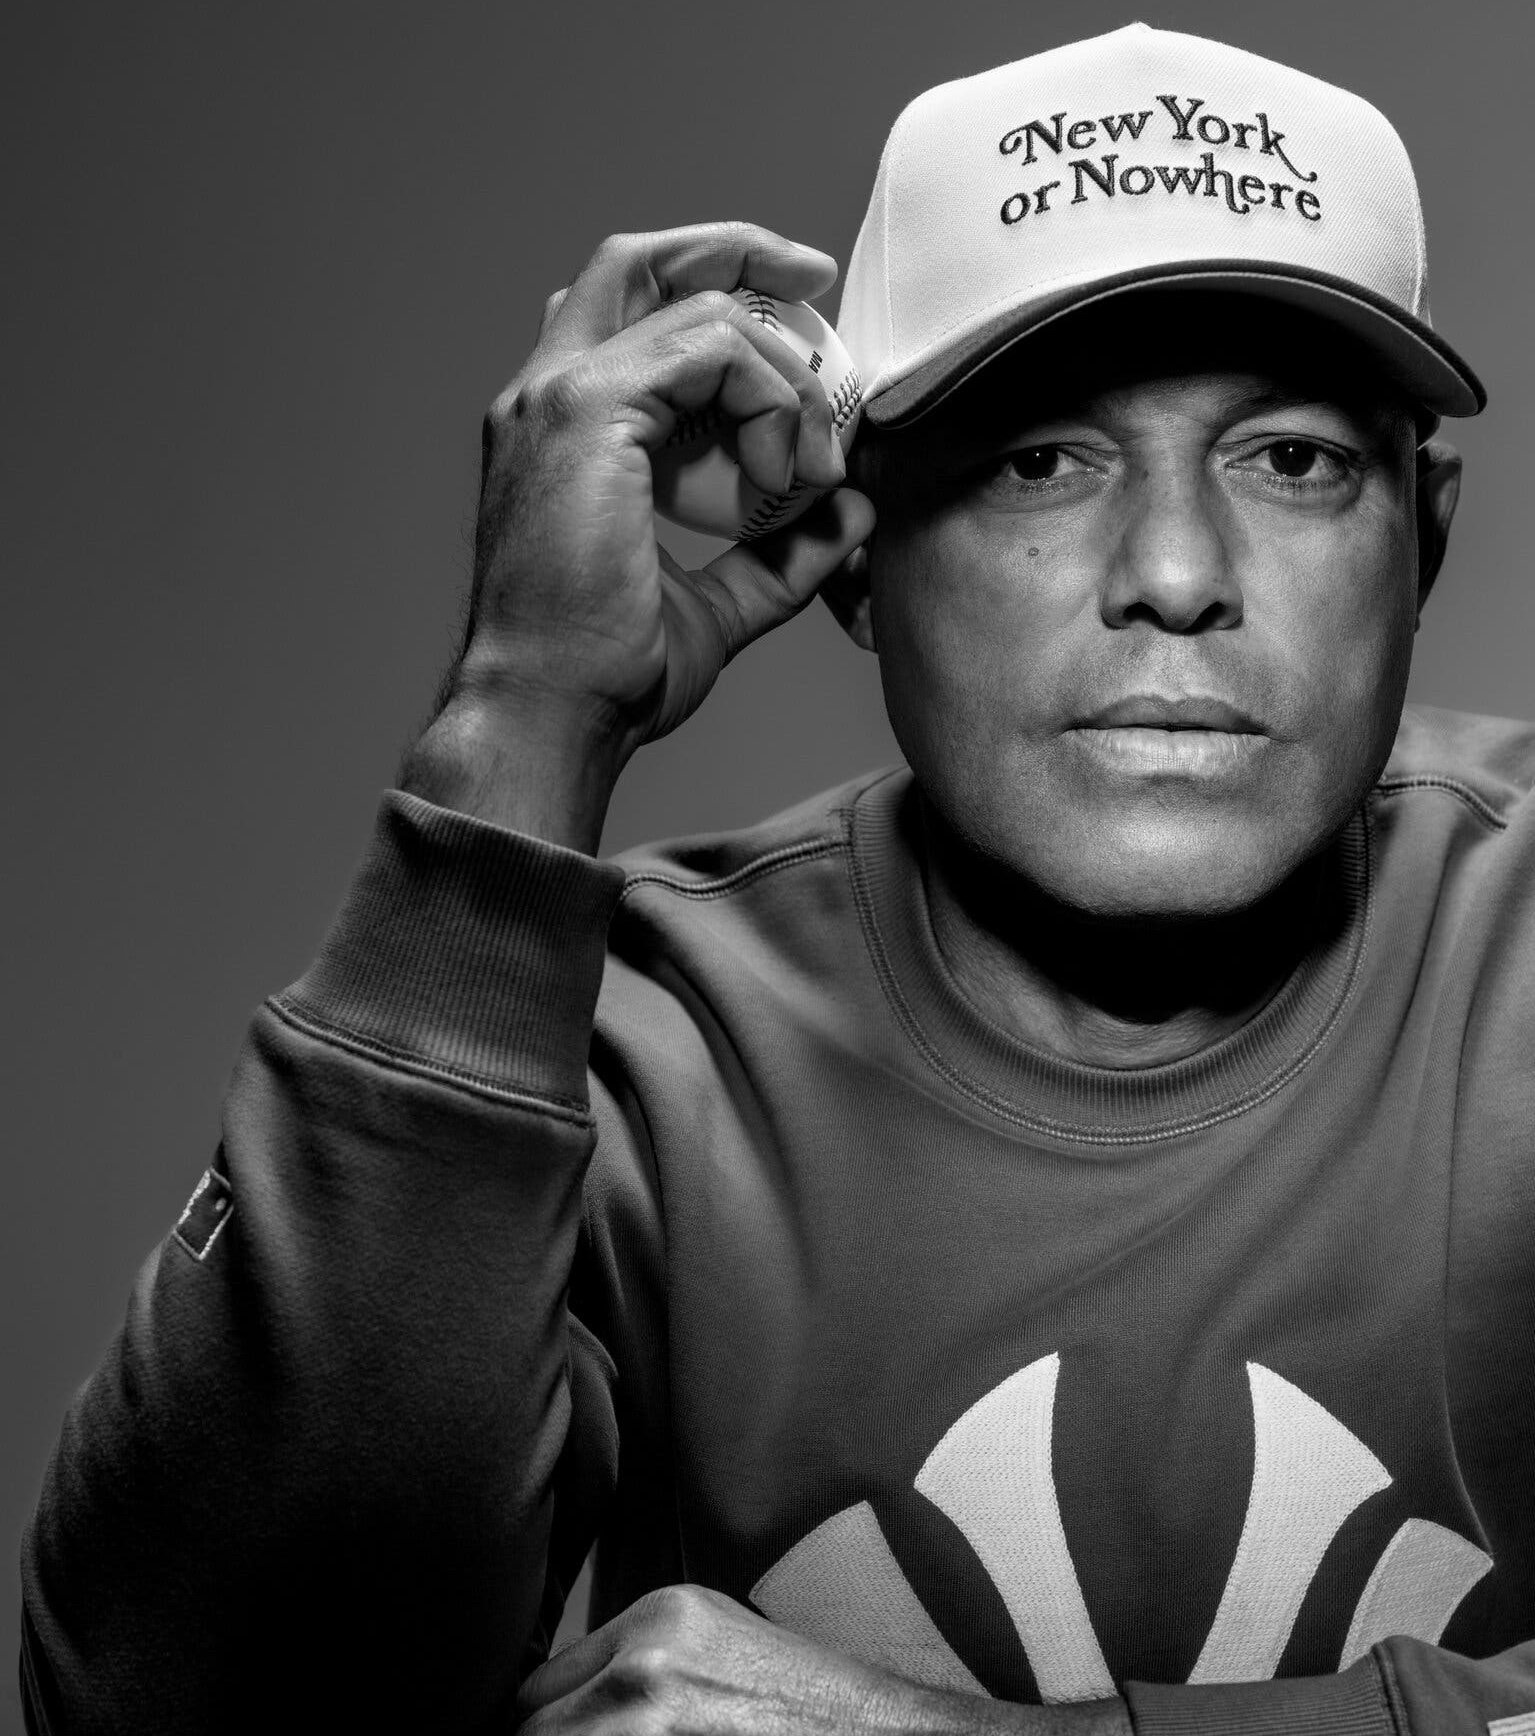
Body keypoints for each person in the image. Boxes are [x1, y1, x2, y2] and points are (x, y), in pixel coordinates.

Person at [19, 21, 1535, 1736]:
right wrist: (524, 712)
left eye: (1295, 459)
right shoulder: (624, 1057)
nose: (1178, 573)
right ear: (854, 551)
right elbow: (174, 1707)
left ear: (1424, 538)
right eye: (1041, 458)